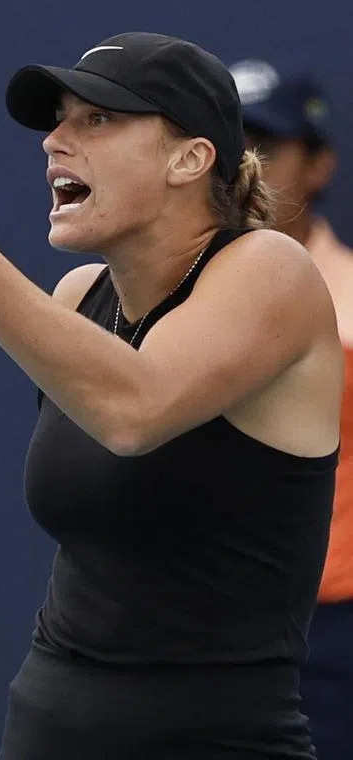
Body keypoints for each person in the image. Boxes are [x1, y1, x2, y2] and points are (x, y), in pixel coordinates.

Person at [0, 32, 344, 759]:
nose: (55, 142)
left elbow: (135, 412)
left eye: (97, 120)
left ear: (190, 157)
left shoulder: (273, 271)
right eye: (58, 120)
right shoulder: (79, 297)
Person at [230, 57, 353, 759]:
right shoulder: (153, 298)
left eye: (266, 150)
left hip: (326, 627)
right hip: (192, 624)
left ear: (318, 164)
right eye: (229, 149)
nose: (245, 171)